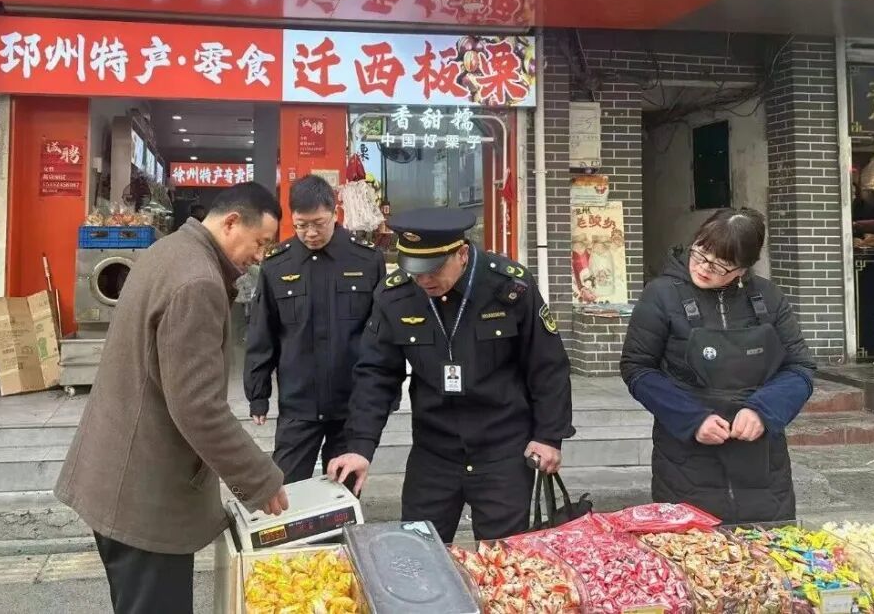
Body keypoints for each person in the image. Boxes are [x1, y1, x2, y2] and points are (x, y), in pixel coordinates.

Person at [54, 183, 289, 614]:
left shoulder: (170, 250)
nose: (260, 256)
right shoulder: (198, 281)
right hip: (144, 496)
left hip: (118, 478)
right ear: (231, 222)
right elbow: (198, 407)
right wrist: (260, 478)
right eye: (260, 242)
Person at [327, 207, 574, 543]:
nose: (423, 280)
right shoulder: (396, 295)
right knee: (419, 550)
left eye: (433, 270)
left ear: (461, 253)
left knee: (503, 557)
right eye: (415, 270)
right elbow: (375, 375)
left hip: (503, 449)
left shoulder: (509, 286)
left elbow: (547, 364)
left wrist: (548, 436)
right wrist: (359, 446)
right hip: (434, 451)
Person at [620, 208, 815, 524]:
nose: (702, 267)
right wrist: (692, 419)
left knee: (766, 548)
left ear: (742, 268)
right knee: (691, 548)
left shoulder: (768, 298)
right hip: (685, 459)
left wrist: (763, 411)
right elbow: (638, 368)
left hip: (762, 465)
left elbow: (799, 367)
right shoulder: (662, 295)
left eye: (719, 265)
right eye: (700, 253)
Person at [244, 175, 385, 484]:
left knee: (344, 492)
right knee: (288, 490)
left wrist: (384, 394)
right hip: (299, 402)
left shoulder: (366, 259)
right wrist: (258, 393)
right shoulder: (277, 264)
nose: (310, 233)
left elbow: (381, 336)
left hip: (350, 402)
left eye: (319, 223)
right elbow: (262, 332)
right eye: (301, 225)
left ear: (335, 212)